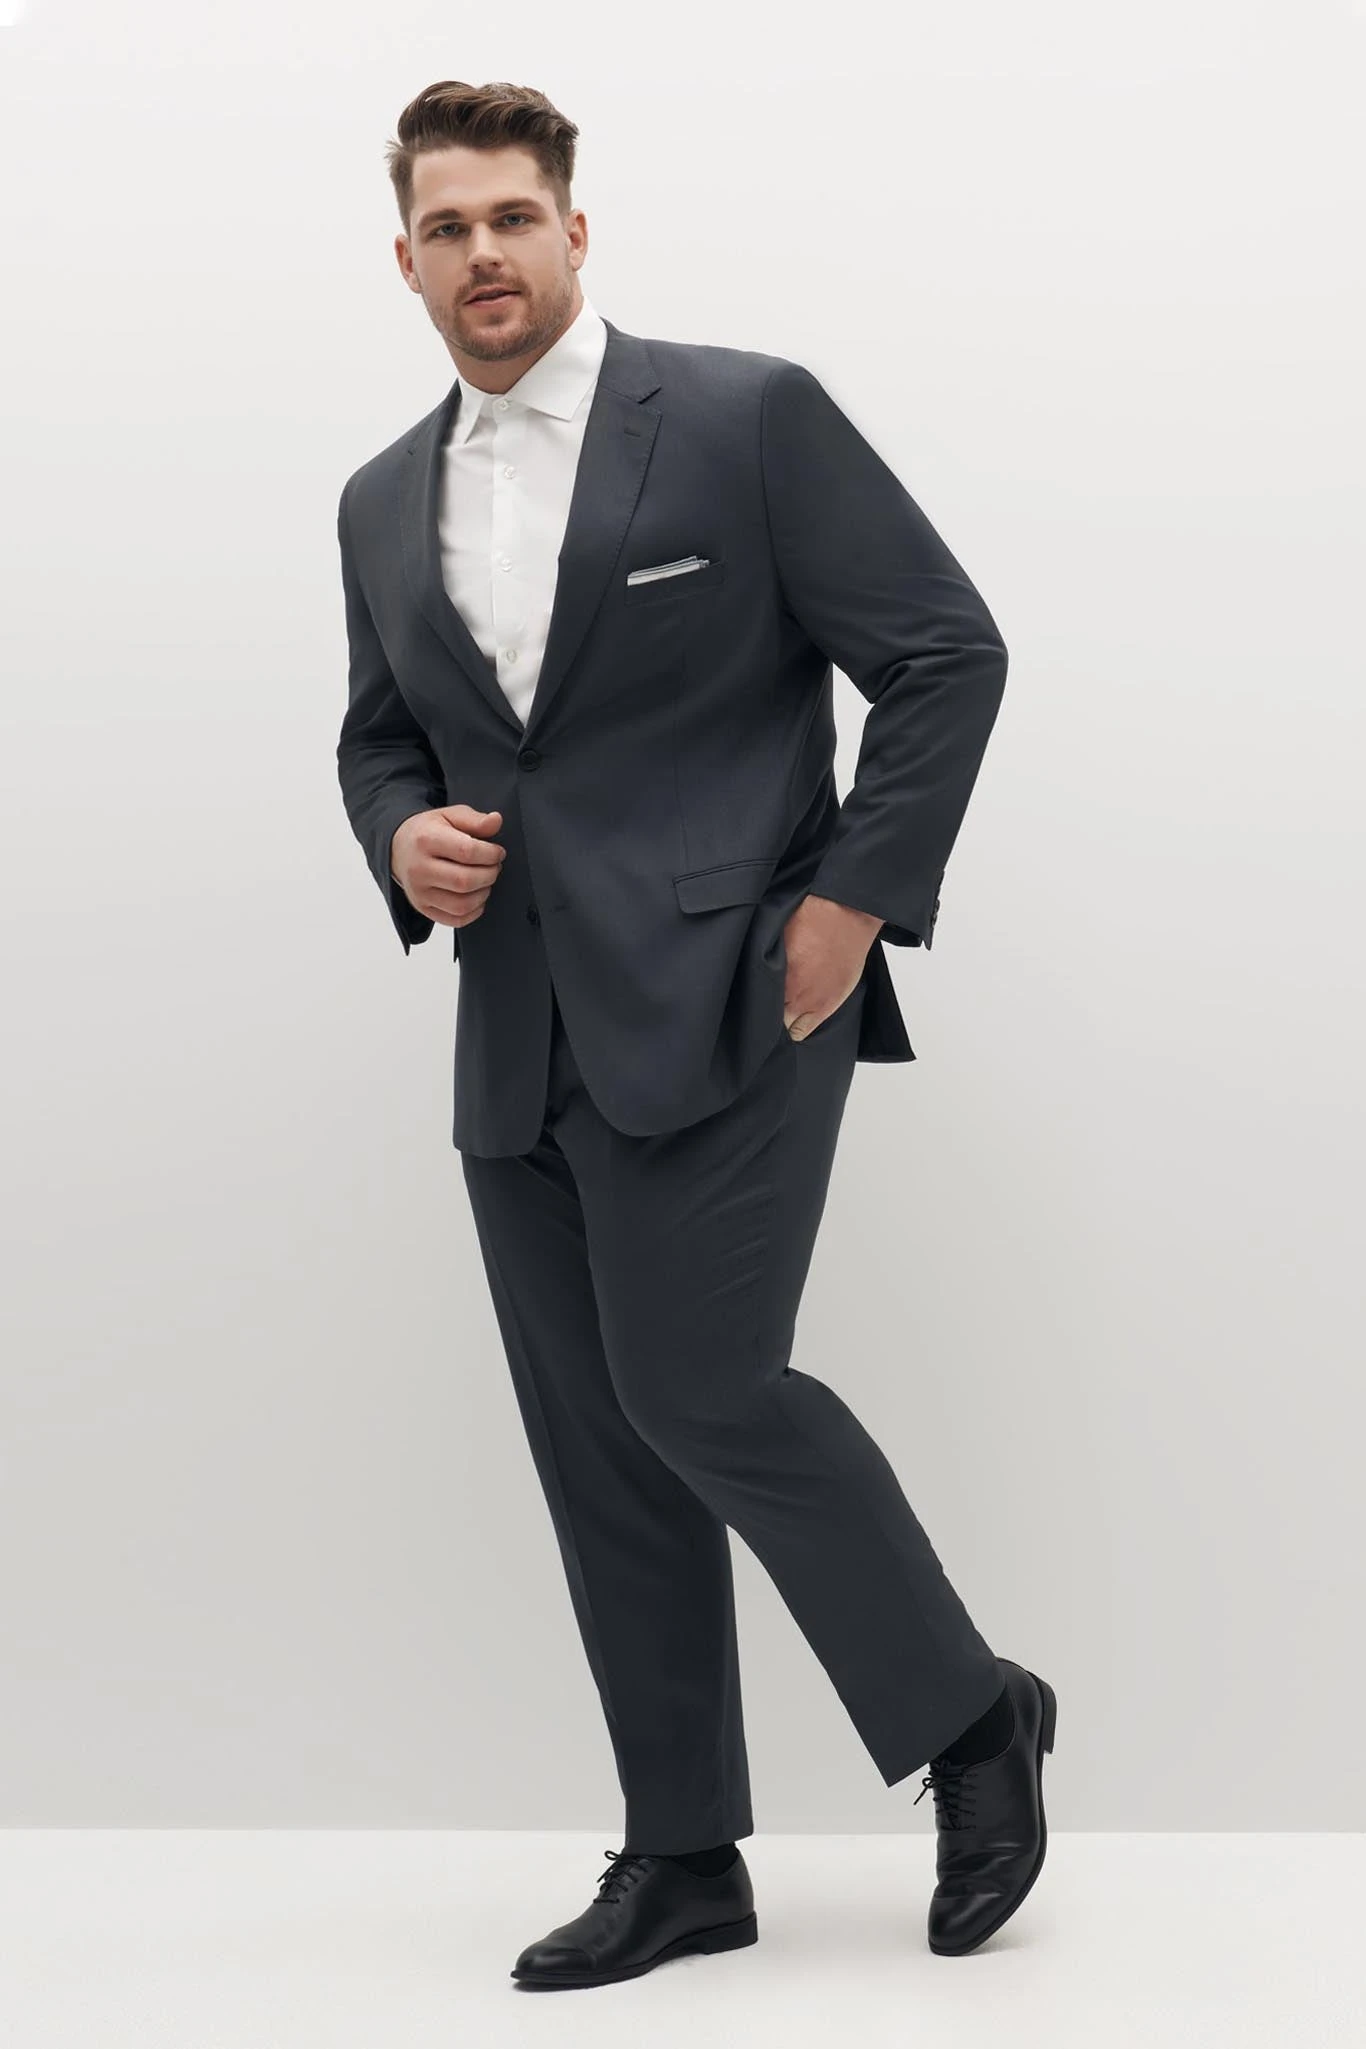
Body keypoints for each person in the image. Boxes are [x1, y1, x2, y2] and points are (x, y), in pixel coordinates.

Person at [335, 78, 1056, 1991]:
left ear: (575, 231)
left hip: (740, 994)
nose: (481, 253)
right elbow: (382, 734)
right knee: (601, 1450)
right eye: (444, 228)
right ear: (403, 261)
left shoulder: (743, 419)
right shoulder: (378, 498)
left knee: (702, 1389)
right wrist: (397, 836)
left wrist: (850, 900)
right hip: (517, 1033)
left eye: (510, 217)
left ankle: (972, 1717)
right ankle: (681, 1856)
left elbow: (942, 651)